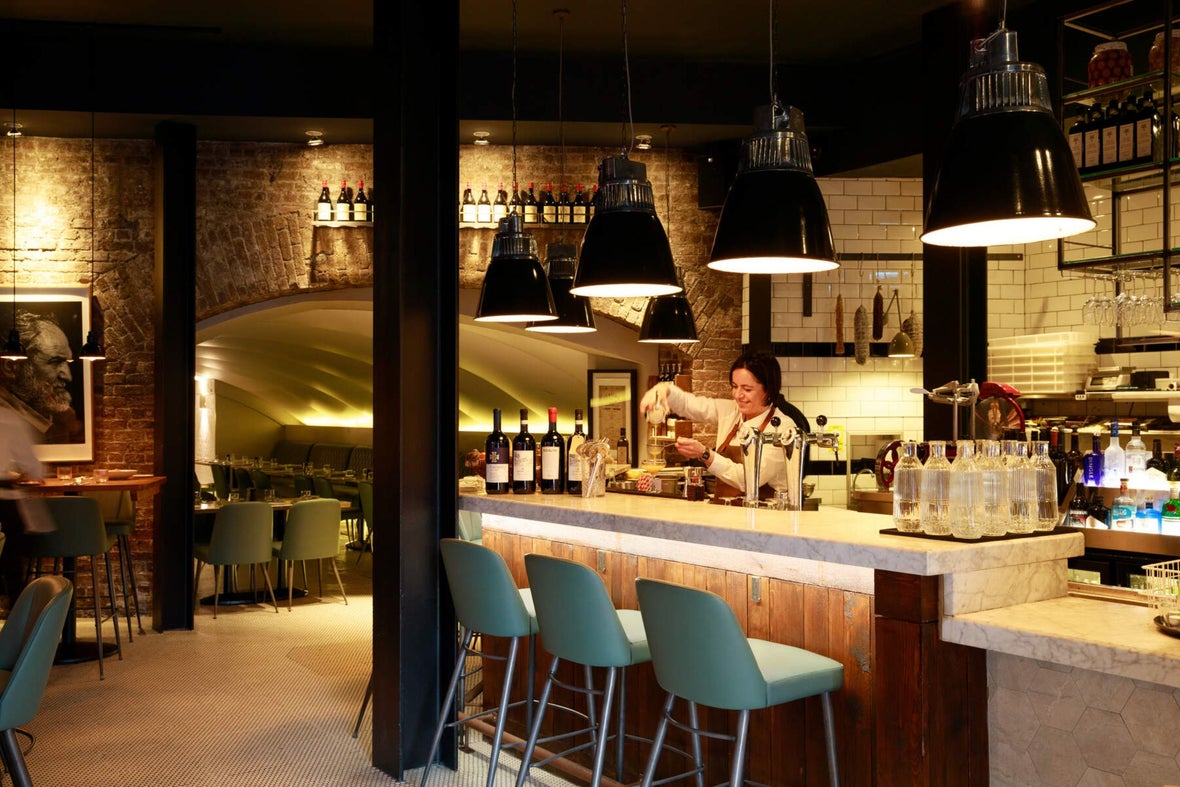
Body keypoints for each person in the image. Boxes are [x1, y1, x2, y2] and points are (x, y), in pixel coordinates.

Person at [639, 350, 810, 502]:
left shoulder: (784, 428)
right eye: (734, 387)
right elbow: (689, 404)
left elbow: (749, 479)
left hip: (764, 518)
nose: (738, 395)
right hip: (726, 512)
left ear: (768, 389)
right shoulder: (731, 412)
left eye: (747, 389)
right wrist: (663, 390)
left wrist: (705, 454)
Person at [0, 311, 83, 444]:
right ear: (10, 367)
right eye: (55, 361)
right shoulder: (5, 425)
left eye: (67, 363)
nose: (68, 376)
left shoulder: (57, 421)